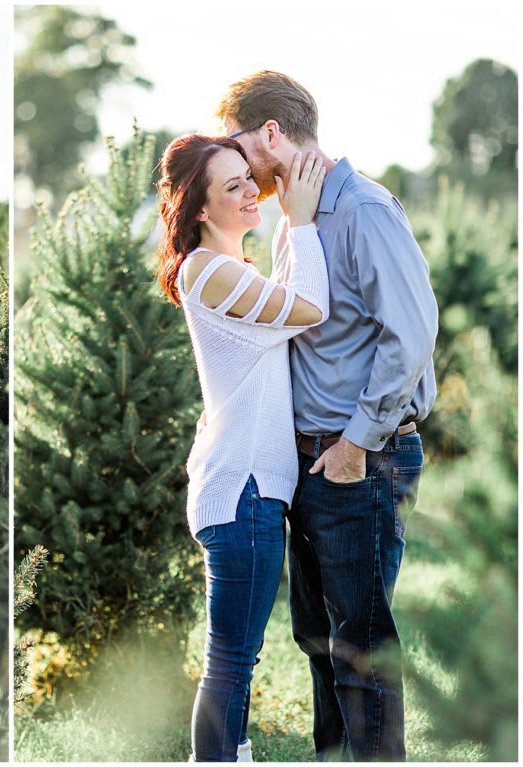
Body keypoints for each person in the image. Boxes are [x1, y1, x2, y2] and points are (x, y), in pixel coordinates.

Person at [217, 71, 438, 761]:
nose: (233, 165)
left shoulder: (365, 210)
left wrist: (354, 444)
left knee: (360, 649)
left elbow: (412, 333)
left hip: (359, 461)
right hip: (311, 462)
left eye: (236, 146)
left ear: (270, 133)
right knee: (318, 641)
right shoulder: (298, 218)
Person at [157, 134, 329, 761]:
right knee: (231, 661)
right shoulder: (210, 270)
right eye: (233, 187)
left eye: (247, 179)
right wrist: (299, 221)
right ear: (200, 208)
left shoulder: (228, 270)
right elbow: (311, 308)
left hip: (245, 490)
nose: (251, 192)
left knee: (233, 660)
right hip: (244, 492)